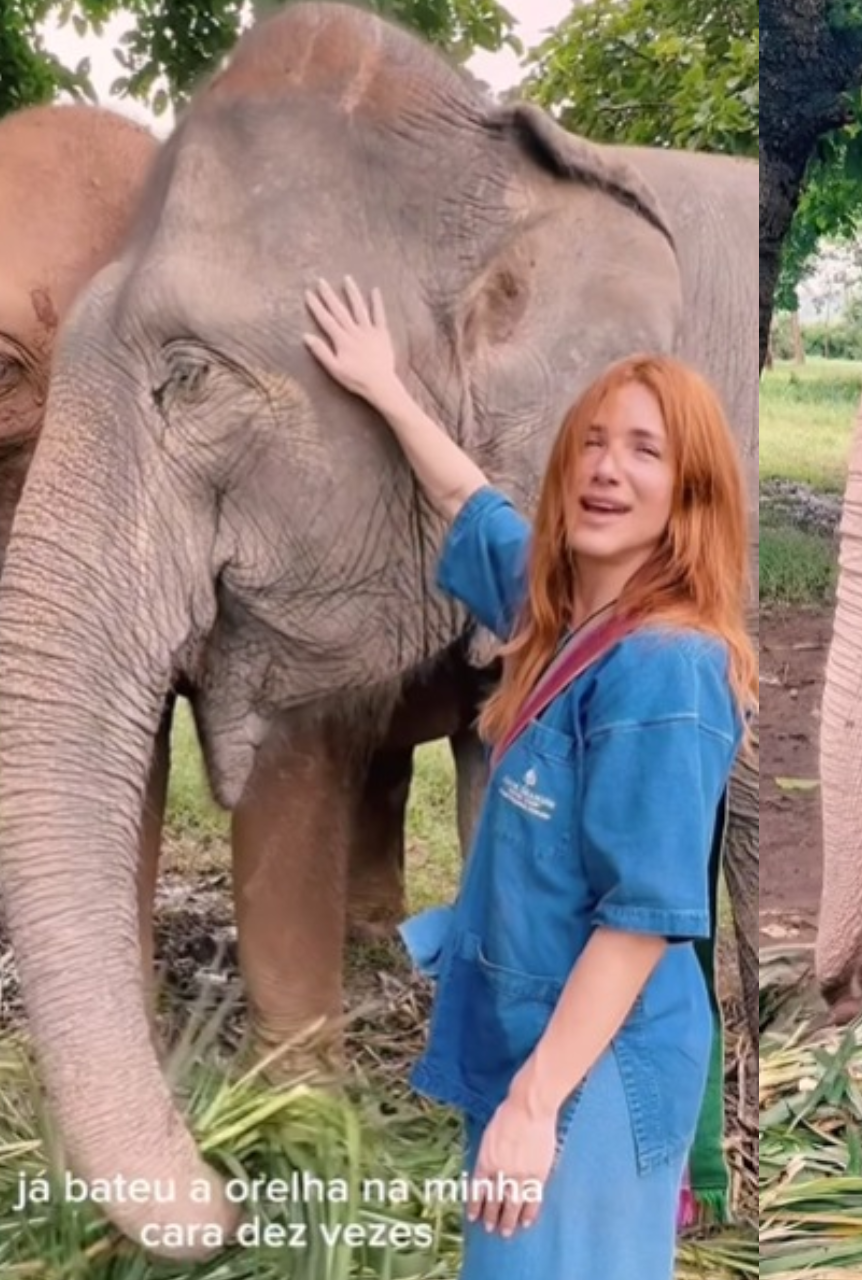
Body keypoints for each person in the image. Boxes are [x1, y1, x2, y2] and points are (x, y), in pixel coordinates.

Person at [301, 276, 755, 1278]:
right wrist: (384, 385)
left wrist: (538, 1103)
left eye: (645, 451)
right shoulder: (566, 615)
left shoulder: (664, 668)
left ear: (690, 497)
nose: (605, 468)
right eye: (592, 441)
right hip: (539, 1041)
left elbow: (640, 918)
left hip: (595, 1067)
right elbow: (471, 503)